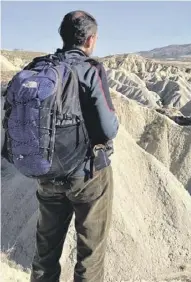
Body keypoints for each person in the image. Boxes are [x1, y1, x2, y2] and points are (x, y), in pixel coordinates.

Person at [3, 10, 118, 282]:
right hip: (86, 177)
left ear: (62, 37)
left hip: (45, 174)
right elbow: (108, 129)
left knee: (45, 254)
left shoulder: (36, 68)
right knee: (90, 254)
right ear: (90, 40)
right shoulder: (90, 71)